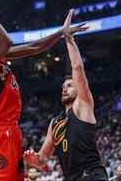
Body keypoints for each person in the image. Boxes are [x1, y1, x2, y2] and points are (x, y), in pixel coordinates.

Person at [0, 0, 86, 180]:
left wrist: (60, 33)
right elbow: (6, 41)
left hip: (10, 128)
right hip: (0, 130)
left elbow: (33, 48)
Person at [24, 10, 108, 181]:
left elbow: (77, 67)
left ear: (78, 89)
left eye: (69, 86)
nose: (64, 88)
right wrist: (34, 161)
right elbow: (43, 159)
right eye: (63, 86)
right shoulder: (55, 122)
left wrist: (68, 38)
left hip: (91, 174)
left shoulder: (83, 104)